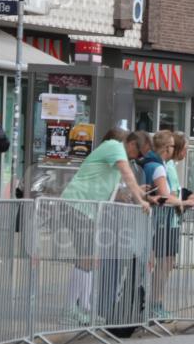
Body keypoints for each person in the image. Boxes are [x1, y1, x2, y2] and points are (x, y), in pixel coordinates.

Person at [60, 129, 152, 324]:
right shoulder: (115, 147)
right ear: (132, 145)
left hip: (86, 209)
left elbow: (117, 189)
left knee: (91, 257)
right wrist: (140, 199)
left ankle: (84, 307)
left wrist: (138, 194)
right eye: (140, 153)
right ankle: (69, 309)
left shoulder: (116, 155)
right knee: (86, 257)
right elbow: (128, 175)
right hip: (77, 205)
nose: (139, 159)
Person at [140, 130, 194, 320]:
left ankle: (155, 302)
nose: (175, 150)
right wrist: (183, 202)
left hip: (165, 220)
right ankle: (155, 303)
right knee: (164, 263)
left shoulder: (160, 164)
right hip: (164, 221)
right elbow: (167, 195)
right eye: (173, 146)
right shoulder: (160, 166)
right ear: (167, 147)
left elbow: (172, 192)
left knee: (165, 262)